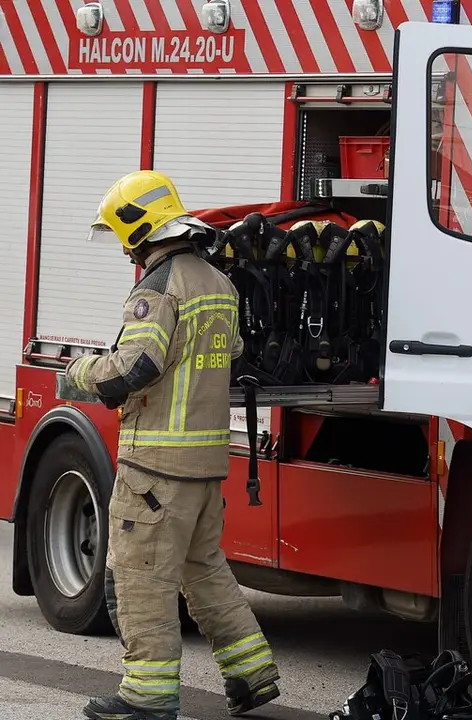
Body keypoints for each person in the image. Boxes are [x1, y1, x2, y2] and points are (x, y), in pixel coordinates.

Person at [66, 170, 283, 720]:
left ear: (139, 229)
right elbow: (230, 357)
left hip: (155, 471)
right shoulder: (219, 283)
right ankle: (252, 673)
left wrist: (80, 372)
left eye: (122, 234)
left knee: (140, 579)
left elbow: (133, 368)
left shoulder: (158, 288)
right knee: (204, 570)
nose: (123, 247)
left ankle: (147, 696)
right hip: (206, 467)